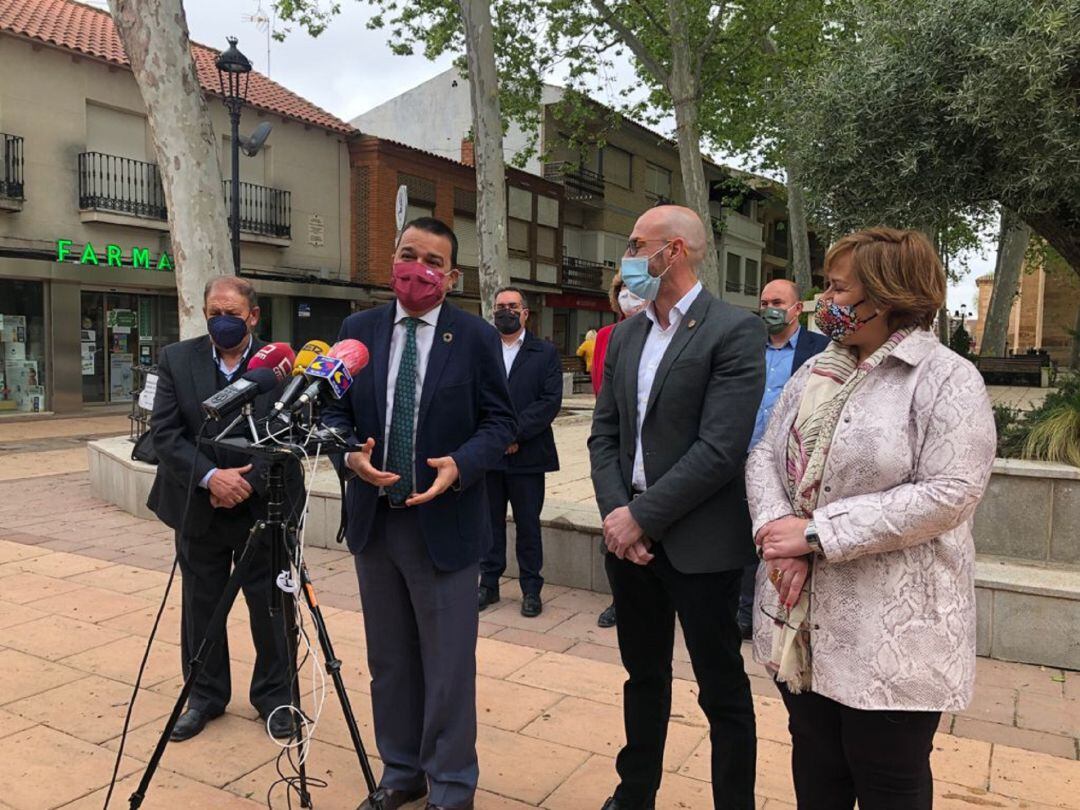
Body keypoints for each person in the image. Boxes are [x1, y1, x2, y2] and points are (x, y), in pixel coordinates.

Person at [746, 228, 996, 810]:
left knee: (889, 779)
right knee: (816, 767)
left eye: (837, 288)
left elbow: (952, 492)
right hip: (803, 623)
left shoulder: (945, 378)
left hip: (893, 634)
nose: (823, 302)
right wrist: (776, 530)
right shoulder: (817, 371)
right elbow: (764, 454)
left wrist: (816, 534)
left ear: (883, 297)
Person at [324, 217, 517, 810]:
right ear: (392, 260)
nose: (418, 269)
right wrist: (348, 454)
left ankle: (452, 784)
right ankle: (401, 771)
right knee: (389, 660)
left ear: (451, 276)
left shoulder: (476, 337)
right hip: (376, 522)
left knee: (448, 666)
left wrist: (461, 463)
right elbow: (332, 415)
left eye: (432, 262)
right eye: (409, 254)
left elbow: (501, 423)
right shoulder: (357, 331)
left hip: (446, 525)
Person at [589, 205, 765, 810]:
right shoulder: (627, 334)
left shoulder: (733, 330)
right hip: (628, 539)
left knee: (721, 689)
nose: (629, 256)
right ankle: (634, 792)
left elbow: (720, 449)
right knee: (644, 678)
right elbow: (604, 433)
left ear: (676, 252)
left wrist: (644, 517)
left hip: (700, 545)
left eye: (638, 244)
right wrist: (620, 515)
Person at [148, 276, 296, 742]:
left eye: (232, 313)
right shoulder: (176, 359)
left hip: (263, 508)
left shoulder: (282, 365)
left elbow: (291, 432)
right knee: (201, 608)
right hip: (200, 506)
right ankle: (205, 697)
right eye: (214, 313)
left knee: (272, 608)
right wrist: (212, 478)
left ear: (253, 316)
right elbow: (164, 433)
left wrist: (245, 482)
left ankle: (275, 700)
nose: (222, 321)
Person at [736, 279, 829, 639]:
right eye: (764, 301)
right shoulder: (746, 347)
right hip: (741, 458)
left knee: (779, 539)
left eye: (777, 301)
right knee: (745, 539)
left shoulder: (820, 349)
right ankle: (744, 614)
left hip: (792, 467)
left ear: (796, 308)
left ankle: (780, 614)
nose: (769, 308)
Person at [479, 287, 563, 617]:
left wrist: (513, 434)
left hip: (529, 455)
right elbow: (474, 398)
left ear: (525, 312)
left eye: (512, 306)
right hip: (491, 456)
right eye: (500, 306)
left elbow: (549, 401)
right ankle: (489, 584)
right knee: (490, 524)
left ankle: (531, 589)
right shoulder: (482, 350)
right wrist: (496, 438)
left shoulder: (544, 352)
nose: (506, 311)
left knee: (528, 526)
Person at [591, 272, 647, 629]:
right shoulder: (608, 337)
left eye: (634, 289)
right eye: (621, 290)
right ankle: (618, 599)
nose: (628, 295)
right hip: (618, 449)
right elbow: (602, 393)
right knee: (613, 525)